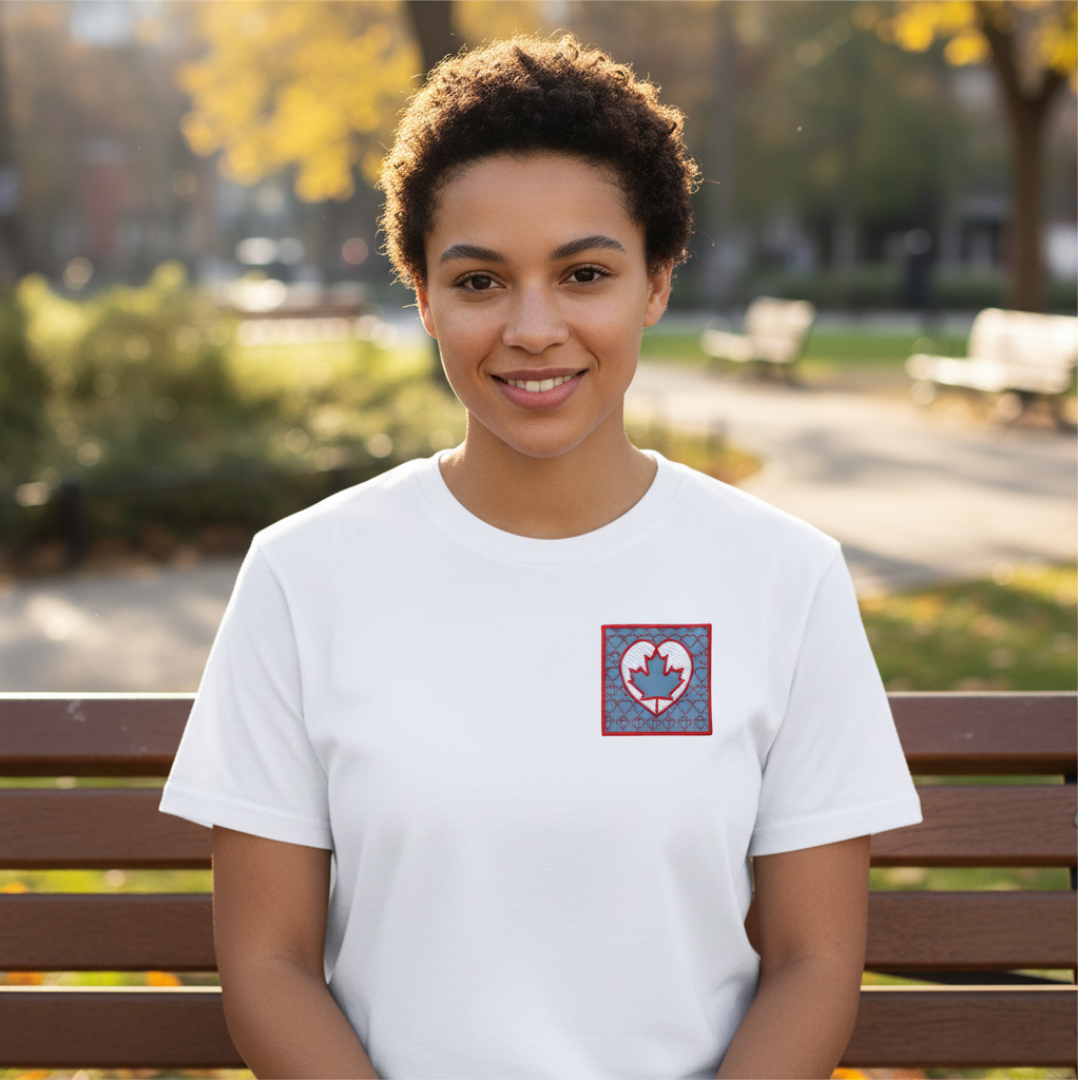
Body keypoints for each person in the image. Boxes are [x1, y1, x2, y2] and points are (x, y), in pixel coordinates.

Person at [160, 35, 922, 1080]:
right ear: (423, 296)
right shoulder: (305, 576)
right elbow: (267, 963)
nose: (532, 327)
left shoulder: (782, 578)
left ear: (656, 282)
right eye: (479, 280)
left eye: (584, 273)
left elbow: (815, 960)